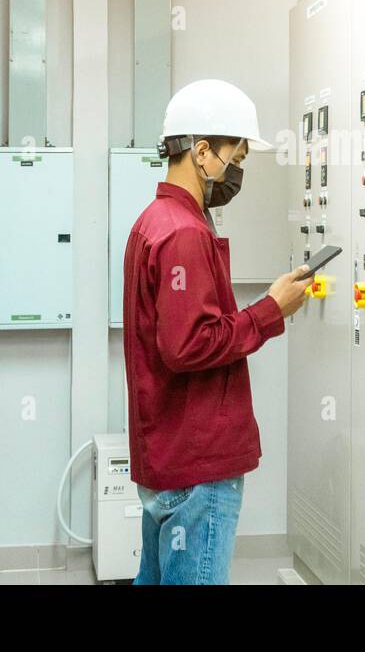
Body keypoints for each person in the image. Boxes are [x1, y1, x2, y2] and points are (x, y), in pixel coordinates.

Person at [123, 79, 312, 584]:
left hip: (169, 454)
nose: (236, 172)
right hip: (197, 464)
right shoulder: (183, 232)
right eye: (236, 157)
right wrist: (271, 310)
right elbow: (187, 345)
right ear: (202, 151)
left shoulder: (155, 221)